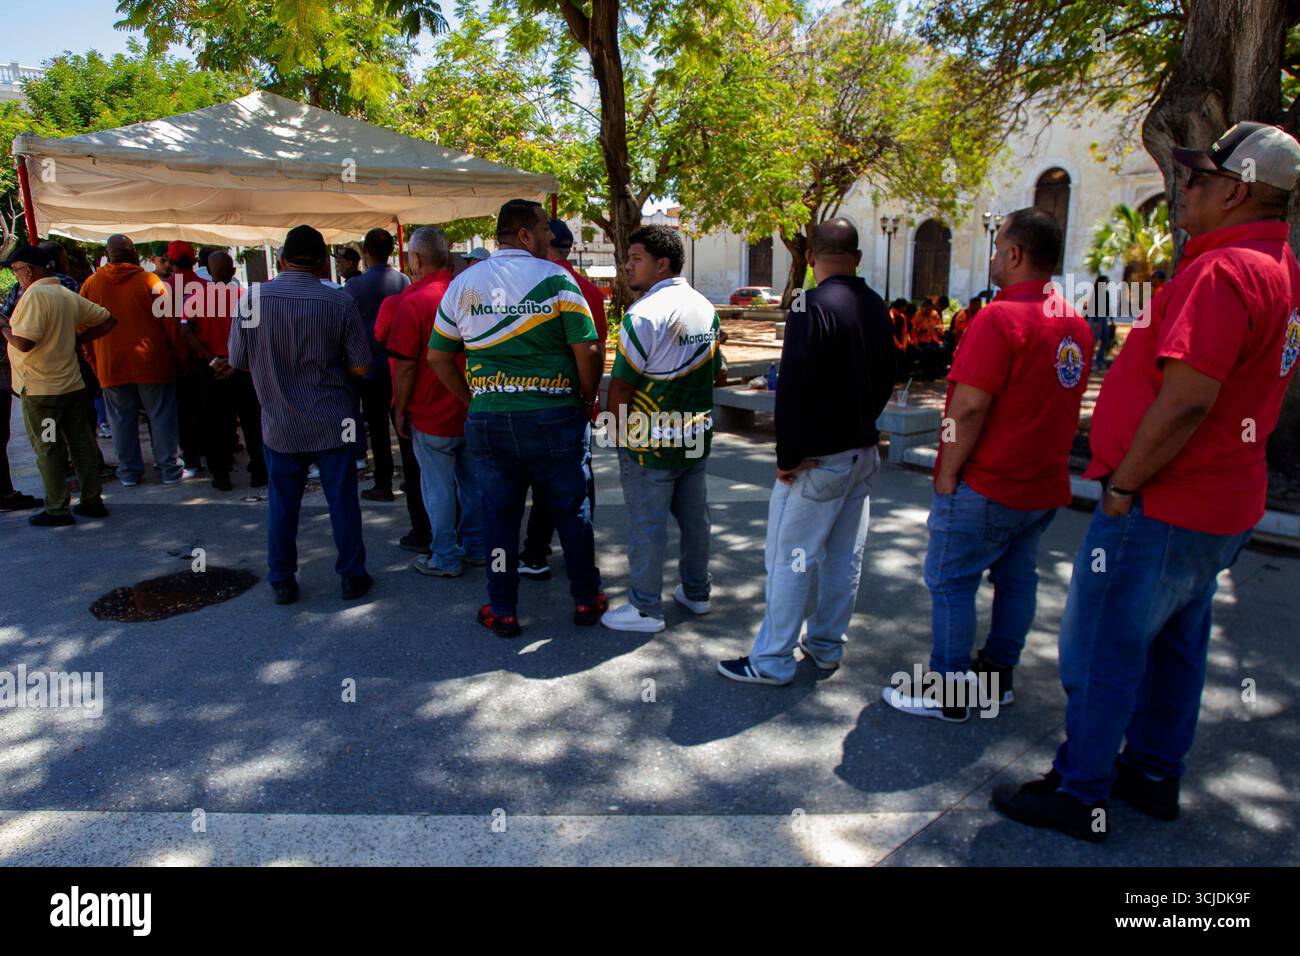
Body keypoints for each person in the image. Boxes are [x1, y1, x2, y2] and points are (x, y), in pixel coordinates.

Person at [993, 122, 1300, 842]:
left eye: (1197, 177)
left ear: (1239, 189)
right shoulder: (1277, 262)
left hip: (1167, 500)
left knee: (1102, 645)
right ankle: (1154, 771)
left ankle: (1081, 789)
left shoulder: (1224, 270)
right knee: (1175, 642)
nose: (1181, 187)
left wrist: (1126, 482)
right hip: (1221, 500)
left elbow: (1190, 395)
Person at [881, 208, 1092, 719]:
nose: (994, 256)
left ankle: (950, 691)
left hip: (989, 482)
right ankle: (997, 678)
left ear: (1015, 254)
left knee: (951, 582)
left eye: (998, 248)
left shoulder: (999, 317)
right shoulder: (1074, 322)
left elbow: (970, 406)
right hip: (1041, 484)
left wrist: (948, 473)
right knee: (1017, 581)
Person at [718, 218, 894, 684]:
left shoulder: (808, 305)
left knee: (789, 558)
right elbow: (886, 377)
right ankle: (826, 644)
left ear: (811, 257)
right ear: (856, 257)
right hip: (861, 451)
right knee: (842, 558)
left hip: (819, 459)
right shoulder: (876, 305)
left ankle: (772, 659)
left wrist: (787, 455)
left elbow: (792, 385)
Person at [427, 199, 604, 638]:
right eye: (545, 228)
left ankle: (503, 609)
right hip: (555, 416)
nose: (551, 235)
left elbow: (438, 356)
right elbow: (589, 350)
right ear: (524, 234)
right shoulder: (557, 279)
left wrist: (473, 400)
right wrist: (586, 398)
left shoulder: (463, 284)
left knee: (499, 520)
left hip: (489, 421)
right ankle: (586, 599)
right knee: (572, 512)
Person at [229, 225, 373, 604]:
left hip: (279, 421)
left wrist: (273, 370)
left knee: (283, 503)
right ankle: (352, 576)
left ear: (281, 260)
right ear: (324, 263)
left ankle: (282, 580)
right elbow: (361, 367)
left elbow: (238, 360)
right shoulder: (340, 303)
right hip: (334, 418)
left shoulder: (251, 300)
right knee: (342, 500)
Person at [600, 224, 719, 633]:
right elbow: (714, 374)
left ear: (661, 263)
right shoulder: (705, 307)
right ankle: (697, 592)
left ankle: (645, 608)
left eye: (635, 259)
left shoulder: (643, 313)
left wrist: (613, 430)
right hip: (694, 435)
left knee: (647, 524)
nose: (626, 266)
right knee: (694, 521)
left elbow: (621, 384)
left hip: (650, 441)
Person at [384, 226, 483, 576]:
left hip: (431, 414)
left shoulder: (414, 301)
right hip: (472, 408)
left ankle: (445, 555)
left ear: (416, 259)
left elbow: (406, 367)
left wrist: (399, 409)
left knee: (438, 488)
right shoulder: (471, 294)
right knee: (472, 485)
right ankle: (476, 547)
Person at [0, 245, 118, 525]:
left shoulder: (34, 297)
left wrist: (4, 327)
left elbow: (25, 343)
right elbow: (108, 319)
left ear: (27, 269)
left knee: (50, 448)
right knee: (82, 446)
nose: (16, 276)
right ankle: (92, 501)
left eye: (16, 270)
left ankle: (58, 508)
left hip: (44, 393)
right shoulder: (65, 293)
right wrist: (77, 340)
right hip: (71, 387)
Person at [519, 218, 609, 579]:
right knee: (576, 482)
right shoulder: (587, 289)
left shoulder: (531, 285)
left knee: (537, 483)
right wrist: (590, 398)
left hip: (529, 399)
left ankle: (534, 553)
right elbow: (595, 350)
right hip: (573, 401)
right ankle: (579, 557)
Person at [80, 234, 187, 486]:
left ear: (108, 254)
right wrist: (181, 360)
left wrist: (96, 364)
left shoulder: (91, 284)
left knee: (120, 422)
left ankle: (129, 473)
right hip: (153, 364)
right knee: (161, 417)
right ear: (133, 254)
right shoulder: (150, 281)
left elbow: (82, 331)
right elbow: (171, 326)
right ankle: (169, 470)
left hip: (111, 366)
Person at [180, 251, 266, 490]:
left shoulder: (195, 299)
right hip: (243, 369)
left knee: (215, 423)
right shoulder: (246, 298)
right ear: (233, 272)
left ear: (209, 272)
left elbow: (186, 333)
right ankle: (259, 471)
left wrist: (213, 360)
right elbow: (256, 335)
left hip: (211, 371)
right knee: (252, 422)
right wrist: (233, 360)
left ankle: (221, 475)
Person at [344, 228, 409, 502]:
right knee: (403, 424)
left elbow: (347, 328)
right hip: (399, 364)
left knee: (379, 428)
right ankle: (411, 477)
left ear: (365, 253)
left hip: (368, 367)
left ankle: (383, 483)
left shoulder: (354, 287)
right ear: (392, 251)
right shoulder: (404, 281)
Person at [374, 289, 433, 553]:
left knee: (418, 470)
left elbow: (384, 339)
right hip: (459, 397)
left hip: (416, 401)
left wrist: (400, 407)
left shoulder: (398, 303)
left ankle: (427, 535)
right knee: (457, 475)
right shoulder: (463, 292)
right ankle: (467, 539)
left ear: (417, 261)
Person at [162, 240, 209, 478]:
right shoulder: (206, 288)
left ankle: (192, 460)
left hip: (179, 361)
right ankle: (214, 454)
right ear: (194, 261)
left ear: (170, 261)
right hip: (206, 358)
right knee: (208, 410)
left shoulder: (165, 290)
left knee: (185, 412)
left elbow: (169, 330)